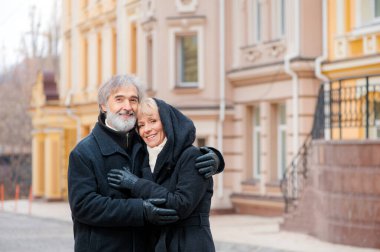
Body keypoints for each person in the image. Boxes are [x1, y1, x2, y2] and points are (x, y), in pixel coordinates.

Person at [68, 74, 224, 252]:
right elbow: (84, 206)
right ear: (104, 105)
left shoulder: (143, 142)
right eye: (119, 99)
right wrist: (140, 210)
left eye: (133, 100)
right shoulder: (84, 152)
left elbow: (177, 152)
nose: (127, 107)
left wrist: (214, 157)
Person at [108, 97, 216, 252]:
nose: (147, 129)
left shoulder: (191, 156)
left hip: (189, 244)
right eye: (141, 125)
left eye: (152, 121)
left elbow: (180, 205)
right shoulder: (144, 160)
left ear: (167, 122)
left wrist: (136, 184)